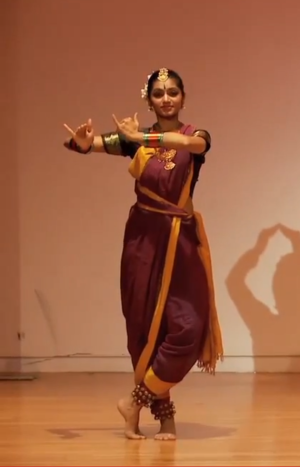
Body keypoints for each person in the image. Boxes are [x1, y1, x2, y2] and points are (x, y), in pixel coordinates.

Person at [61, 68, 223, 441]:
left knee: (188, 327)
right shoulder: (136, 141)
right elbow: (91, 145)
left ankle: (134, 401)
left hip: (181, 241)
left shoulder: (194, 135)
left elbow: (196, 148)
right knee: (146, 327)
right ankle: (162, 419)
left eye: (173, 92)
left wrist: (141, 136)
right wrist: (83, 142)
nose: (166, 98)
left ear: (183, 97)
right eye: (158, 94)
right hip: (143, 240)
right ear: (148, 99)